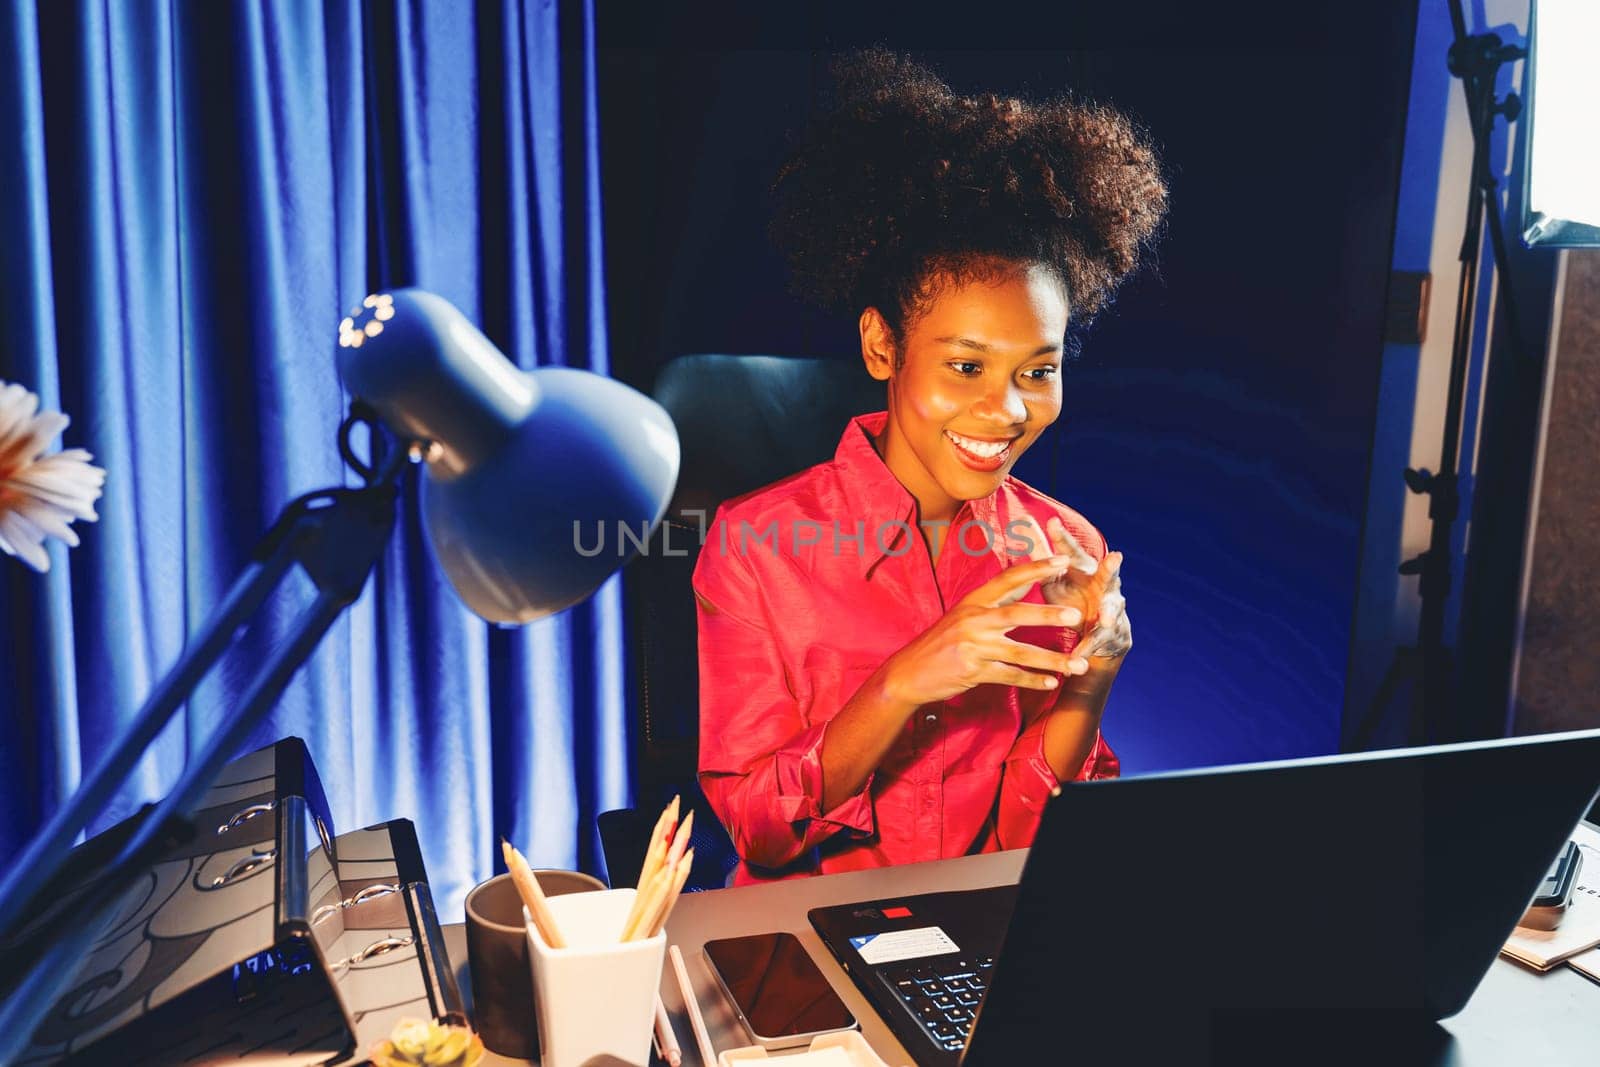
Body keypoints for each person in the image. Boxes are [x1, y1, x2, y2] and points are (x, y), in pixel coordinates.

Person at [693, 51, 1168, 883]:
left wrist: (1092, 682)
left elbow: (1039, 842)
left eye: (1038, 369)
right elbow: (760, 833)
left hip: (987, 944)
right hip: (805, 948)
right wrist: (905, 679)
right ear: (884, 345)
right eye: (966, 367)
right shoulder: (753, 548)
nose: (1010, 409)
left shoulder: (1063, 546)